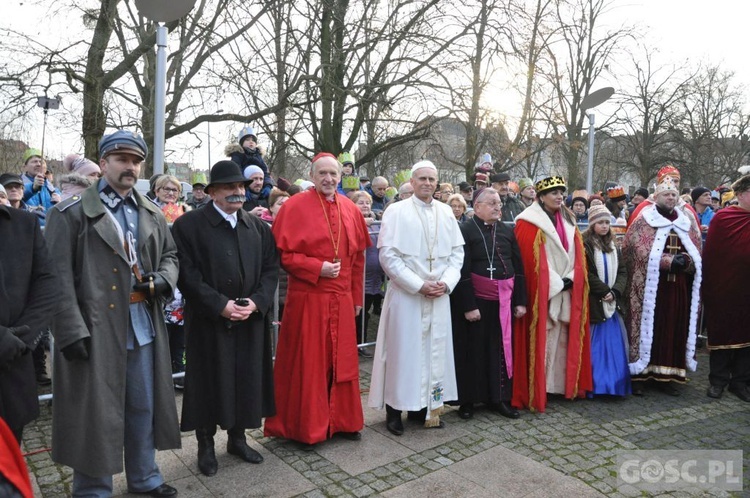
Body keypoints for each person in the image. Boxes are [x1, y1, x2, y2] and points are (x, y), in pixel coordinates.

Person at [45, 130, 180, 497]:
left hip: (142, 325)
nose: (130, 167)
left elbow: (170, 255)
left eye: (136, 161)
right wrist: (69, 331)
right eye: (121, 160)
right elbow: (54, 277)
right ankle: (92, 488)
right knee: (96, 413)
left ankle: (145, 479)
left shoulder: (150, 211)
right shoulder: (69, 213)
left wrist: (164, 280)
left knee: (143, 408)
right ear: (103, 164)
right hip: (93, 328)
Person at [171, 160, 279, 476]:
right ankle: (206, 445)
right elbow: (186, 274)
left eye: (241, 187)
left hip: (249, 320)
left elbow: (271, 268)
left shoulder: (258, 227)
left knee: (245, 380)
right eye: (229, 187)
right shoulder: (188, 226)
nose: (237, 192)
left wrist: (257, 303)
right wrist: (220, 304)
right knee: (208, 382)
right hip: (209, 322)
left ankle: (238, 438)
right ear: (213, 191)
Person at [264, 152, 371, 448]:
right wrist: (316, 268)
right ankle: (306, 426)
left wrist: (356, 297)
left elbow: (357, 258)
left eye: (333, 174)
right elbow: (283, 255)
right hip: (308, 298)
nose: (328, 179)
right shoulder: (295, 206)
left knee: (344, 362)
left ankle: (343, 421)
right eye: (322, 173)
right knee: (309, 363)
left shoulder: (350, 208)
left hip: (342, 298)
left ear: (340, 177)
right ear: (312, 176)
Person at [368, 160, 464, 435]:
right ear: (412, 180)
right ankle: (395, 410)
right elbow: (388, 256)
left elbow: (457, 254)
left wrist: (445, 283)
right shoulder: (396, 211)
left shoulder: (446, 212)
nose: (427, 183)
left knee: (434, 354)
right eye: (422, 178)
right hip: (407, 296)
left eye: (432, 179)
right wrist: (418, 285)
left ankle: (425, 408)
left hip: (438, 295)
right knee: (403, 354)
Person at [512, 176, 592, 412]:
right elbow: (530, 262)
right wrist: (558, 282)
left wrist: (573, 278)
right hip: (546, 293)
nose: (559, 196)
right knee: (544, 340)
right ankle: (540, 387)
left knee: (563, 340)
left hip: (566, 288)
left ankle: (559, 385)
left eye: (561, 192)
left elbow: (579, 255)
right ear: (540, 197)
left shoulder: (569, 221)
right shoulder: (527, 223)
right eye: (553, 192)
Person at [622, 173, 702, 397]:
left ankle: (666, 376)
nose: (670, 198)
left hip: (677, 287)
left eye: (673, 194)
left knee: (672, 327)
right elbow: (634, 251)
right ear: (656, 196)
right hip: (650, 289)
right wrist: (666, 261)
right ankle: (638, 375)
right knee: (646, 328)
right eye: (666, 194)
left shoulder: (686, 220)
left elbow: (696, 251)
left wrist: (685, 261)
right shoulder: (644, 219)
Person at [450, 187, 526, 419]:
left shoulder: (506, 230)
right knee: (472, 351)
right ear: (478, 206)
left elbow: (518, 267)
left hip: (503, 302)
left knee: (499, 351)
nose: (497, 207)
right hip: (476, 301)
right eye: (492, 203)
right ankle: (468, 401)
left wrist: (520, 301)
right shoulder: (464, 230)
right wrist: (469, 305)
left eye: (499, 204)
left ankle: (499, 398)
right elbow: (461, 270)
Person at [0, 195, 59, 443]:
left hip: (11, 364)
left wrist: (21, 340)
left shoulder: (24, 223)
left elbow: (46, 282)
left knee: (8, 466)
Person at [703, 174, 750, 402]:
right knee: (722, 332)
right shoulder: (723, 218)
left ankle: (740, 382)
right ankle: (717, 380)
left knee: (747, 335)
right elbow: (712, 255)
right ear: (741, 194)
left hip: (748, 290)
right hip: (724, 288)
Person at [582, 205, 630, 397]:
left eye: (607, 223)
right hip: (595, 303)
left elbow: (623, 271)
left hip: (612, 303)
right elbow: (587, 272)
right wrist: (604, 291)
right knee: (597, 350)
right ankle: (597, 384)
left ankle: (615, 384)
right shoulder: (585, 245)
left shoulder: (613, 245)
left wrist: (615, 291)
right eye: (600, 222)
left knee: (614, 349)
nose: (604, 226)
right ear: (592, 224)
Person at [351, 191, 385, 355]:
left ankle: (362, 343)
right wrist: (362, 223)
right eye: (361, 203)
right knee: (359, 313)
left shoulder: (377, 223)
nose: (365, 205)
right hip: (359, 278)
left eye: (367, 203)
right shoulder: (352, 221)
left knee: (367, 313)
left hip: (375, 278)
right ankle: (356, 344)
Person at [226, 125, 273, 197]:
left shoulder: (259, 156)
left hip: (259, 187)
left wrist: (268, 185)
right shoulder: (238, 155)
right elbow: (237, 173)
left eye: (253, 140)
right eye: (247, 140)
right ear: (242, 143)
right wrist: (244, 187)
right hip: (243, 188)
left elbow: (265, 173)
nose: (251, 142)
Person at [21, 148, 61, 219]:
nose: (39, 164)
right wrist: (32, 188)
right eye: (34, 161)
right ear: (25, 167)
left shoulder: (54, 190)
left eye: (41, 162)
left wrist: (61, 203)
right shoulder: (16, 186)